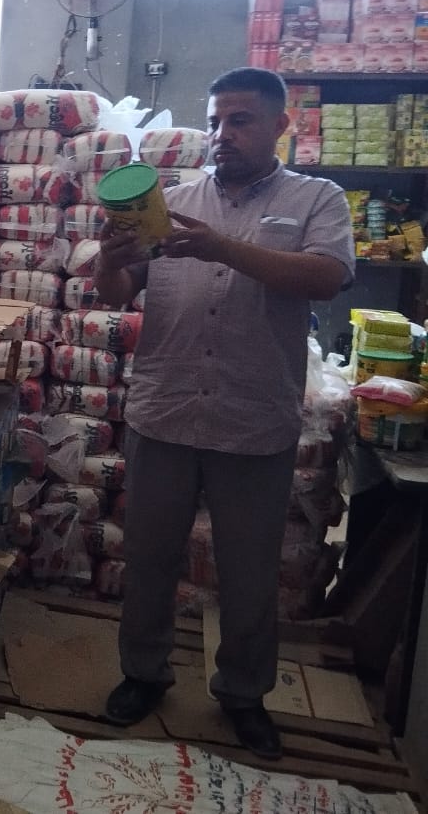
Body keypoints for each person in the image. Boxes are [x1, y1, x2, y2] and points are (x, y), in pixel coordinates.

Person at [94, 67, 354, 760]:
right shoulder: (170, 203)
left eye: (240, 120)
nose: (222, 134)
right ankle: (143, 674)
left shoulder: (316, 199)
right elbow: (118, 291)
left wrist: (221, 248)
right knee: (149, 558)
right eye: (215, 121)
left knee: (248, 571)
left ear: (279, 125)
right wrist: (107, 258)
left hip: (252, 416)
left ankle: (242, 693)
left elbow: (327, 277)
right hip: (165, 410)